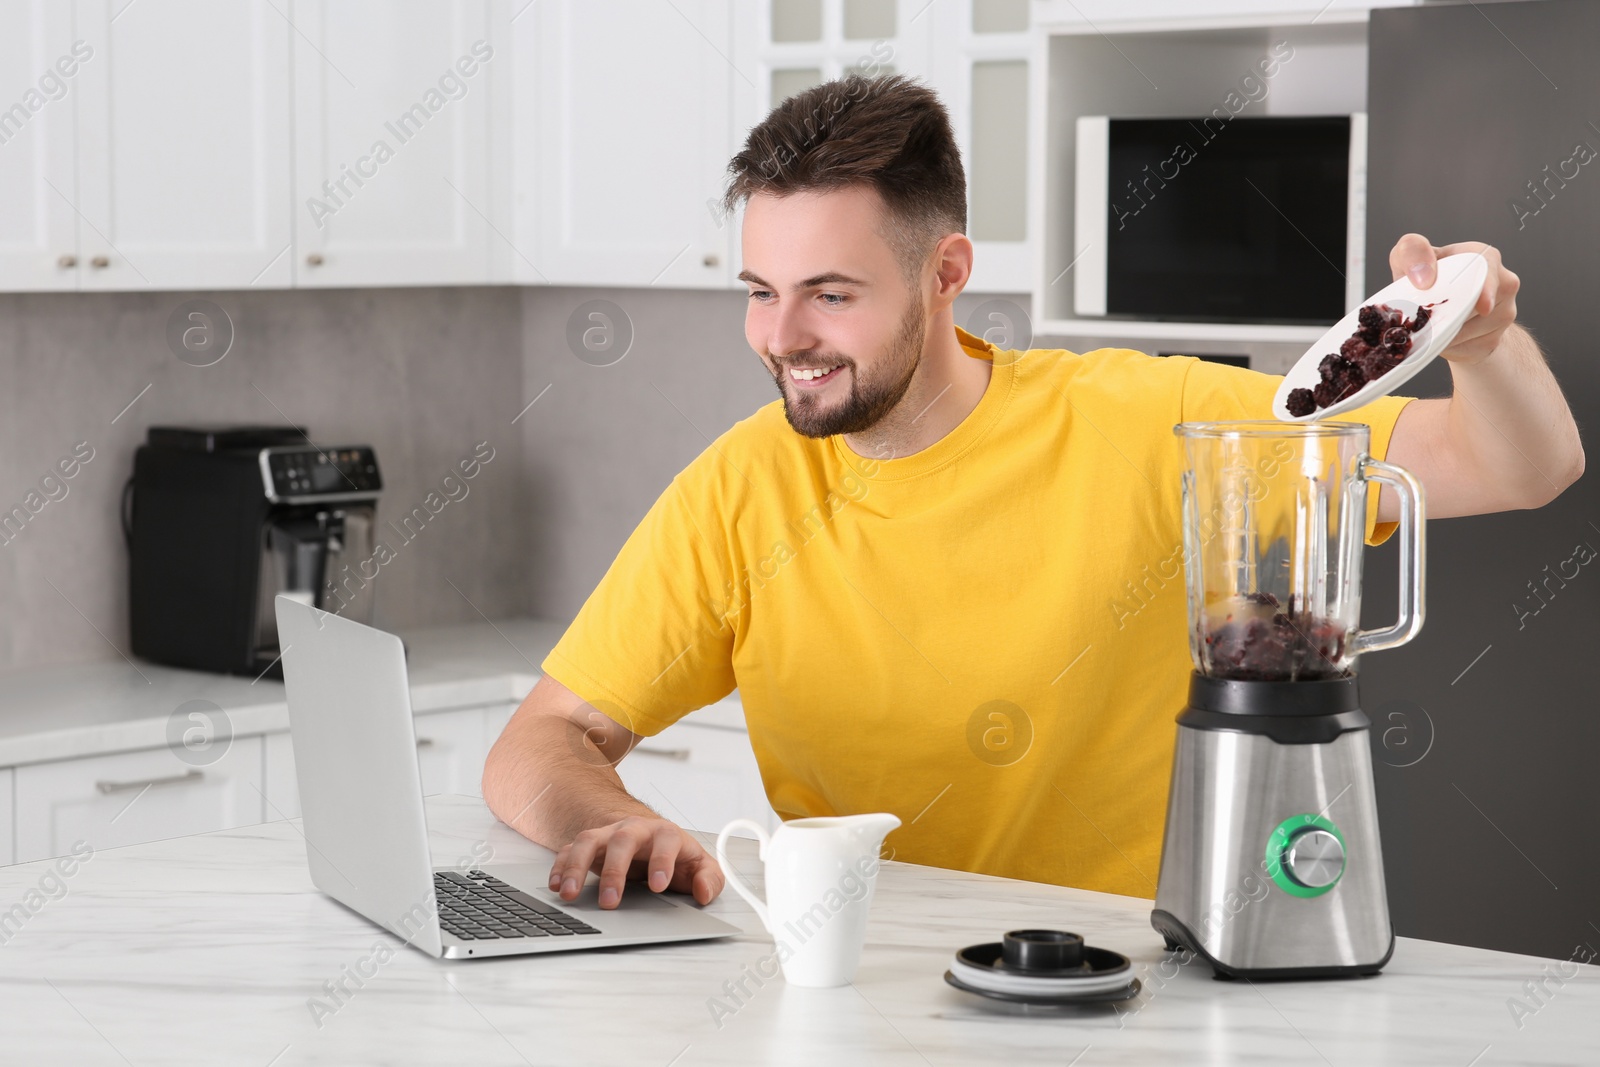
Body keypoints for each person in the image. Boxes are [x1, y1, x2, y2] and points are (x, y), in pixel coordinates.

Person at [482, 74, 1584, 910]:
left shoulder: (1147, 421)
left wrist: (1481, 342)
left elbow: (1518, 467)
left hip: (1131, 978)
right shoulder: (741, 485)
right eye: (761, 292)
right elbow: (540, 740)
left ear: (947, 273)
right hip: (865, 981)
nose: (781, 338)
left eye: (829, 293)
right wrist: (621, 822)